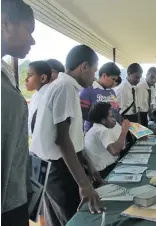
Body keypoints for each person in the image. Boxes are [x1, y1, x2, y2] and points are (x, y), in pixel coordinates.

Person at [30, 45, 104, 226]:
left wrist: (86, 162)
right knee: (71, 219)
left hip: (49, 166)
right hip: (57, 168)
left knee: (57, 219)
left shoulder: (61, 86)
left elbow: (71, 135)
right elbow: (62, 140)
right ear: (84, 67)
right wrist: (84, 184)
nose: (94, 77)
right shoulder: (65, 88)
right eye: (94, 71)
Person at [1, 1, 35, 225]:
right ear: (4, 22)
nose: (32, 40)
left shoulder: (5, 72)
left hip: (14, 199)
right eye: (29, 30)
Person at [85, 102, 130, 178]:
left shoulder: (99, 127)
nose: (114, 119)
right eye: (111, 117)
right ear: (103, 120)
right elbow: (115, 151)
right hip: (104, 172)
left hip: (107, 168)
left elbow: (123, 145)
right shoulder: (102, 130)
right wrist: (124, 130)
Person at [80, 62, 121, 133]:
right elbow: (83, 113)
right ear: (104, 75)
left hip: (111, 133)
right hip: (95, 134)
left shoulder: (112, 92)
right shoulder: (88, 90)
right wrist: (103, 121)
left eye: (116, 80)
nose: (114, 83)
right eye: (113, 79)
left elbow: (116, 111)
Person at [25, 61, 52, 136]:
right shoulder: (36, 95)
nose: (26, 79)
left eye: (30, 75)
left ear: (43, 78)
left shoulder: (48, 96)